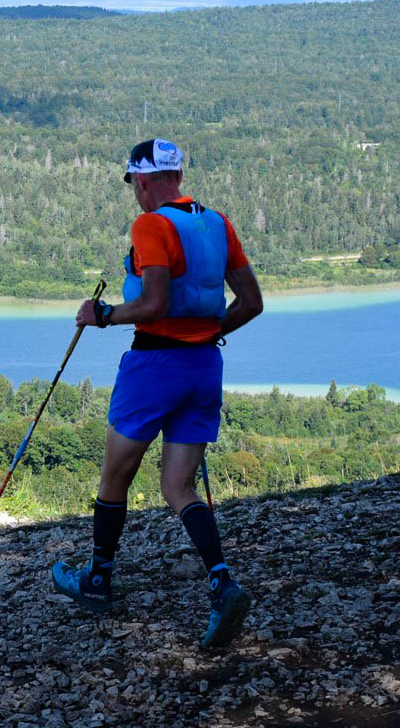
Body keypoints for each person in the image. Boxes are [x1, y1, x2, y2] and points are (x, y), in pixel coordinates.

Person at [51, 138, 264, 649]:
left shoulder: (151, 225)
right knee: (178, 488)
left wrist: (102, 315)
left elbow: (153, 304)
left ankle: (97, 580)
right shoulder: (217, 223)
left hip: (154, 365)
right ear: (179, 176)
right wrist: (207, 333)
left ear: (142, 180)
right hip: (204, 366)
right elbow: (251, 302)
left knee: (116, 476)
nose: (135, 191)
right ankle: (222, 584)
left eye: (134, 183)